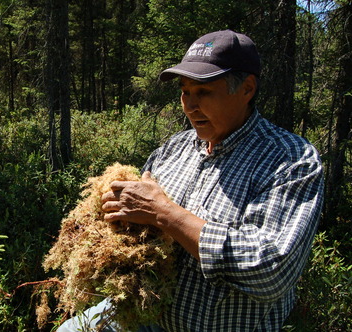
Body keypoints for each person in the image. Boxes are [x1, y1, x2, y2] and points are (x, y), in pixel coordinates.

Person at [58, 29, 324, 331]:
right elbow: (142, 212)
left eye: (204, 92)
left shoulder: (290, 159)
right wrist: (118, 210)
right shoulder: (175, 148)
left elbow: (270, 270)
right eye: (185, 91)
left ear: (247, 88)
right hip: (143, 318)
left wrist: (165, 213)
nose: (189, 105)